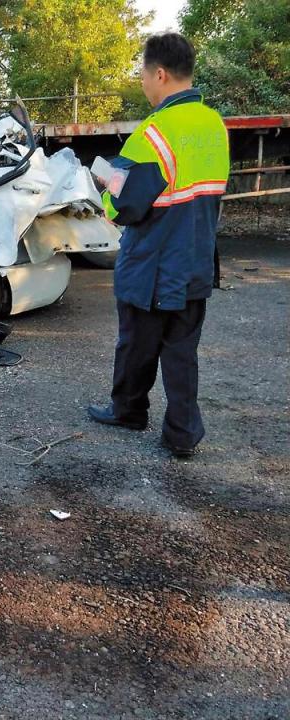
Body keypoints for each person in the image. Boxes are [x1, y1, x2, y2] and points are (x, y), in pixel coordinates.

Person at [88, 32, 230, 459]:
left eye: (144, 74)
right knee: (182, 350)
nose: (143, 82)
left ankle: (128, 411)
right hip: (196, 259)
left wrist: (104, 190)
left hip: (152, 263)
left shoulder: (154, 133)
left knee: (136, 343)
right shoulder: (214, 125)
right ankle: (183, 433)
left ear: (161, 74)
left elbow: (126, 205)